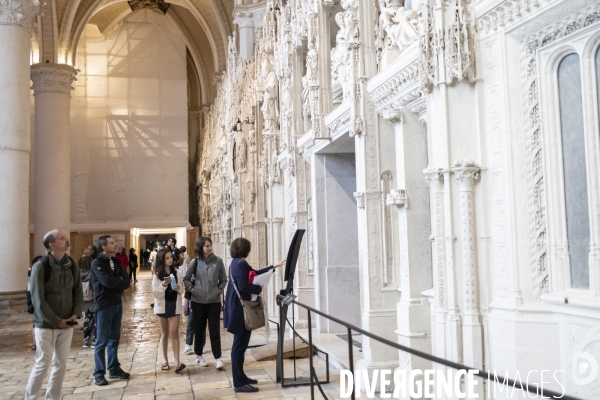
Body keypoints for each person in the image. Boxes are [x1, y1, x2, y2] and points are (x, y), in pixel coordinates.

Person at [25, 229, 83, 400]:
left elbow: (77, 291)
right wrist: (57, 321)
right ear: (52, 245)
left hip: (67, 323)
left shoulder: (71, 264)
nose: (66, 239)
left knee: (61, 364)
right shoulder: (40, 267)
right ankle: (31, 397)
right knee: (43, 363)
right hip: (46, 325)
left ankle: (54, 397)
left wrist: (75, 314)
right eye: (61, 238)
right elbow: (38, 300)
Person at [223, 238, 286, 393]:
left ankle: (242, 377)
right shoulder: (240, 264)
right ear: (246, 249)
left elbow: (254, 273)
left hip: (236, 306)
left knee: (242, 344)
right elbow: (244, 285)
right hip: (239, 308)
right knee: (238, 346)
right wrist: (258, 288)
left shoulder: (237, 263)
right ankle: (239, 383)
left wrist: (273, 266)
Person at [91, 235, 131, 386]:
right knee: (102, 341)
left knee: (115, 338)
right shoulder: (97, 263)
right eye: (112, 243)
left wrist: (118, 282)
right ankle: (99, 372)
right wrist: (118, 281)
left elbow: (126, 280)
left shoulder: (115, 262)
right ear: (104, 247)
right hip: (104, 304)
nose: (115, 245)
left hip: (116, 303)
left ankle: (114, 368)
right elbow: (107, 282)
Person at [183, 237, 226, 369]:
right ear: (201, 247)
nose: (209, 247)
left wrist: (218, 291)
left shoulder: (218, 261)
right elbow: (186, 279)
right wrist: (192, 289)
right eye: (206, 245)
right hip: (198, 302)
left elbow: (223, 280)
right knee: (199, 330)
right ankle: (199, 356)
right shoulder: (195, 262)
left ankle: (218, 358)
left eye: (210, 245)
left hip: (214, 302)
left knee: (215, 330)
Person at [152, 249, 186, 373]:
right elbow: (156, 294)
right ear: (162, 260)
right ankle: (165, 361)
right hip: (162, 306)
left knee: (175, 333)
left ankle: (177, 362)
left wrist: (179, 288)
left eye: (170, 257)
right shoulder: (157, 276)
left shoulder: (177, 273)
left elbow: (182, 290)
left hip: (174, 305)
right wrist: (163, 285)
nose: (170, 260)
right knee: (164, 333)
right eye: (167, 258)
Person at [80, 245, 98, 348]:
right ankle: (95, 339)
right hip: (93, 294)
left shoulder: (80, 263)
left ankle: (86, 339)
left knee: (88, 317)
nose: (85, 249)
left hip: (84, 295)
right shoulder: (94, 263)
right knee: (95, 318)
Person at [27, 255, 43, 351]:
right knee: (36, 323)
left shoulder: (32, 272)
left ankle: (36, 343)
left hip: (37, 301)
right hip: (36, 302)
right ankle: (35, 343)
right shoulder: (35, 273)